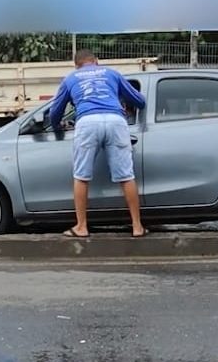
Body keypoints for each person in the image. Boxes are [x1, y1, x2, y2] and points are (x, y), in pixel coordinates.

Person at [49, 49, 148, 238]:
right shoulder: (111, 73)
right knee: (126, 175)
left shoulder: (71, 79)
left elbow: (55, 112)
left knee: (81, 176)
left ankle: (81, 227)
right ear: (96, 61)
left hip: (87, 122)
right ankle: (137, 227)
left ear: (76, 65)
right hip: (115, 120)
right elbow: (139, 100)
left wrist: (57, 126)